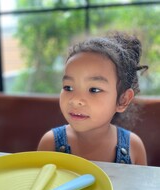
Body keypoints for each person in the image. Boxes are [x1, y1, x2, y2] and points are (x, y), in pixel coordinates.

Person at [37, 32, 148, 165]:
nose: (75, 99)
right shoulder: (50, 144)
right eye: (68, 87)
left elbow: (139, 186)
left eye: (94, 90)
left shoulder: (133, 147)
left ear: (123, 99)